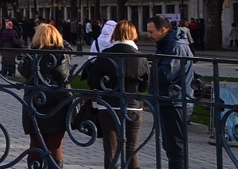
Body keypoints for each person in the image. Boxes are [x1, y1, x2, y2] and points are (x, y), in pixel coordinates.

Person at [82, 20, 149, 169]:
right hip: (132, 105)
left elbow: (92, 81)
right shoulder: (140, 57)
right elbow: (145, 85)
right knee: (132, 147)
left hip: (108, 105)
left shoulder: (106, 55)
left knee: (110, 147)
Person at [19, 23, 72, 169]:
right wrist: (58, 39)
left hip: (35, 101)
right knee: (55, 144)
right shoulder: (62, 53)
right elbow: (69, 51)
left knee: (35, 143)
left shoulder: (32, 54)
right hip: (58, 101)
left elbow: (24, 71)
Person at [146, 15, 194, 169]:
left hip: (175, 101)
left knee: (176, 148)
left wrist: (146, 69)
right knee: (171, 146)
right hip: (170, 99)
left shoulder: (175, 46)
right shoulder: (168, 44)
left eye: (152, 32)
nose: (149, 35)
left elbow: (165, 75)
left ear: (163, 29)